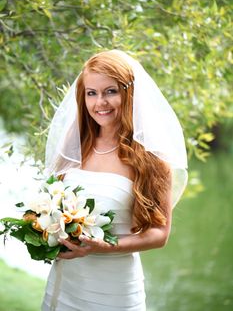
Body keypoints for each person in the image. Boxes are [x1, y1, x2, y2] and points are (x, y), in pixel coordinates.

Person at [41, 50, 188, 311]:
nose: (100, 103)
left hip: (114, 290)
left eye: (110, 91)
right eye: (92, 93)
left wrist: (103, 246)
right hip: (65, 283)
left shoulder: (152, 159)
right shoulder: (75, 146)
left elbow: (159, 234)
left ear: (129, 92)